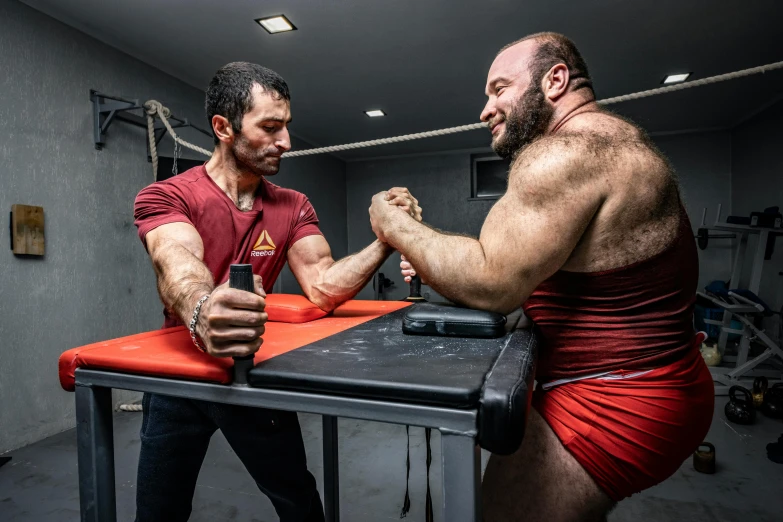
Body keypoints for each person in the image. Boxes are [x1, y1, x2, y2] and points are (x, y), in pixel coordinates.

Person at [369, 32, 714, 521]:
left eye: (499, 88)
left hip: (618, 399)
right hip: (643, 381)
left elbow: (491, 282)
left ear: (554, 80)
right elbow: (521, 277)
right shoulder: (610, 143)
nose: (485, 109)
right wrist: (432, 255)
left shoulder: (567, 151)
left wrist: (394, 225)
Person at [133, 62, 421, 522]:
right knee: (157, 510)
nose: (285, 141)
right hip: (179, 378)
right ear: (224, 127)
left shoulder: (292, 205)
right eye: (270, 127)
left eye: (286, 126)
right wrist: (205, 309)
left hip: (251, 372)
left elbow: (324, 284)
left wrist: (389, 237)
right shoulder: (167, 195)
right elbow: (178, 267)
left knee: (297, 502)